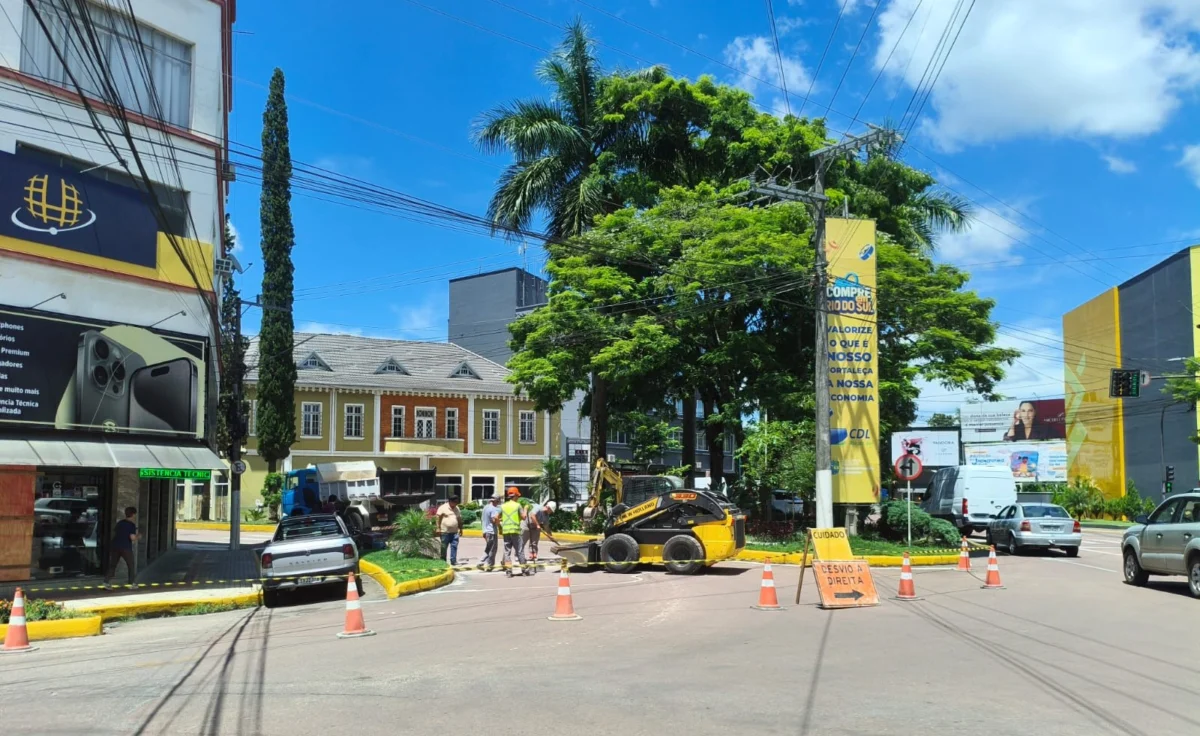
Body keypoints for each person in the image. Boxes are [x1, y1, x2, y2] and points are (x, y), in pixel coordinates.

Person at [103, 506, 138, 589]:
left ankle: (106, 581)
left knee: (113, 565)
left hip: (115, 546)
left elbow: (116, 533)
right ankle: (131, 583)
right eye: (135, 515)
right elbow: (132, 538)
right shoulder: (131, 525)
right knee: (131, 565)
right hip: (125, 547)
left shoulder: (120, 523)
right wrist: (138, 536)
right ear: (133, 515)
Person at [499, 487, 529, 578]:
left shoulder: (503, 506)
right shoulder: (517, 505)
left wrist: (500, 526)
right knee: (519, 551)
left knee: (507, 552)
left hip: (506, 531)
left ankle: (509, 571)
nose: (518, 498)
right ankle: (524, 570)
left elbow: (496, 517)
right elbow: (524, 517)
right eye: (517, 496)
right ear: (515, 496)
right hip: (515, 531)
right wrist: (526, 509)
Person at [435, 494, 463, 566]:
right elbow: (437, 518)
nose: (456, 504)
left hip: (455, 532)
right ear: (450, 501)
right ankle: (443, 561)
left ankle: (453, 561)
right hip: (445, 532)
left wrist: (461, 528)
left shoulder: (457, 508)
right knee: (444, 547)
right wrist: (438, 528)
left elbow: (459, 519)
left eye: (457, 502)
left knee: (454, 546)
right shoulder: (443, 507)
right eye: (454, 502)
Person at [478, 494, 503, 571]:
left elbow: (483, 519)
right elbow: (494, 520)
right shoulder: (493, 509)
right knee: (492, 549)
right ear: (496, 500)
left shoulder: (486, 507)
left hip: (486, 530)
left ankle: (481, 562)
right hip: (491, 531)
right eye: (498, 500)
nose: (499, 502)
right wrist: (500, 526)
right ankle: (489, 565)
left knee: (488, 548)